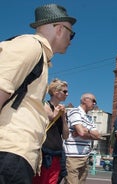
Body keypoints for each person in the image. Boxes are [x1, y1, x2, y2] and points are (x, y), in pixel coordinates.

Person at [0, 4, 76, 184]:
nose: (71, 40)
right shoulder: (29, 45)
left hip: (17, 154)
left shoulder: (40, 56)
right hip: (10, 151)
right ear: (59, 29)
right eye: (71, 34)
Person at [32, 79, 69, 184]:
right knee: (40, 180)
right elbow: (43, 123)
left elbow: (66, 135)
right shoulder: (44, 105)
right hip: (44, 151)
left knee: (53, 181)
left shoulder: (63, 111)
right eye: (65, 92)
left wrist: (63, 117)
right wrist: (55, 114)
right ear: (55, 92)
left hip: (57, 152)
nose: (67, 94)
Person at [63, 93, 101, 184]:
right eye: (93, 101)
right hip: (72, 157)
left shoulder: (89, 118)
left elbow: (97, 135)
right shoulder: (75, 112)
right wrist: (86, 132)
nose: (94, 103)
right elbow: (81, 132)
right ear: (84, 100)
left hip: (85, 156)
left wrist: (85, 131)